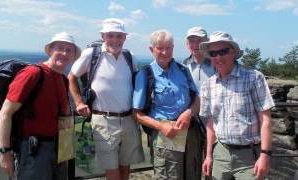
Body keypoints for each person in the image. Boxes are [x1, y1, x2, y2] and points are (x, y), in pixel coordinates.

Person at [68, 18, 144, 180]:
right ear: (103, 36)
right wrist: (79, 102)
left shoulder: (130, 56)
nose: (115, 40)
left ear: (124, 38)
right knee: (112, 169)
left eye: (119, 36)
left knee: (125, 167)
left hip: (129, 119)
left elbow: (137, 84)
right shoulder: (91, 54)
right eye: (110, 35)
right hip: (103, 119)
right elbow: (71, 77)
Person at [0, 32, 81, 179]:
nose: (64, 53)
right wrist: (5, 153)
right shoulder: (32, 74)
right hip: (33, 151)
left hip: (58, 148)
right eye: (60, 48)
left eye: (69, 50)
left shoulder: (63, 80)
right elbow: (5, 113)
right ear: (50, 50)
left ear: (73, 56)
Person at [199, 31, 274, 179]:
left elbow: (266, 120)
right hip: (221, 153)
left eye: (223, 51)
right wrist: (208, 156)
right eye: (213, 53)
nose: (218, 57)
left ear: (233, 52)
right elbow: (211, 123)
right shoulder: (208, 85)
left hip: (249, 156)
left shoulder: (254, 78)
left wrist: (265, 156)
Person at [132, 29, 200, 180]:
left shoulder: (183, 70)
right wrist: (161, 126)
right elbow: (136, 113)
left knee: (192, 175)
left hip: (189, 133)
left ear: (173, 48)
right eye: (160, 48)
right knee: (169, 176)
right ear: (152, 49)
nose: (164, 52)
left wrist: (189, 113)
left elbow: (197, 99)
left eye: (168, 47)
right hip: (165, 135)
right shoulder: (146, 74)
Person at [182, 26, 216, 180]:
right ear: (187, 44)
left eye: (199, 40)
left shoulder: (217, 63)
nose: (195, 44)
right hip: (193, 124)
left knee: (214, 167)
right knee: (192, 167)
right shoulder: (183, 66)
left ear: (206, 43)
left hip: (216, 124)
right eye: (191, 41)